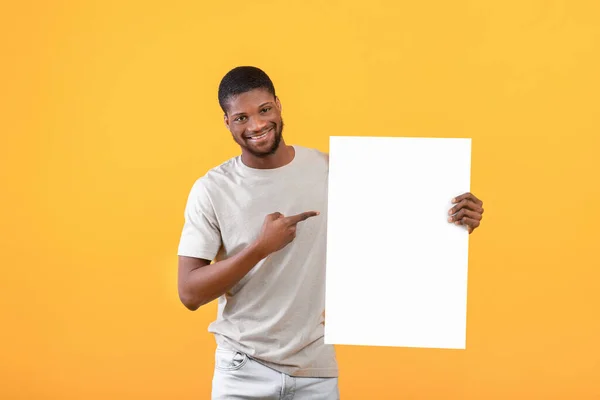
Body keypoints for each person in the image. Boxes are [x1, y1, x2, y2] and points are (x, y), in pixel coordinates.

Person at [176, 66, 485, 399]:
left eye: (264, 110)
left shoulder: (331, 171)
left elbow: (393, 235)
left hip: (316, 373)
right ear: (227, 122)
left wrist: (455, 221)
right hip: (242, 370)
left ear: (278, 105)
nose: (256, 125)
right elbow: (190, 293)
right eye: (241, 118)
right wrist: (260, 248)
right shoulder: (212, 190)